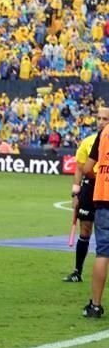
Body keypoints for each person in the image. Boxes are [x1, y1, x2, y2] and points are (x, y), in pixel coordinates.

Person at [65, 108, 109, 282]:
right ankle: (78, 271)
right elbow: (80, 168)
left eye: (105, 118)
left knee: (103, 237)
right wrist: (76, 191)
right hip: (91, 187)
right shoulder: (89, 141)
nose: (101, 121)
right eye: (98, 118)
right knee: (85, 230)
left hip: (103, 187)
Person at [79, 120, 109, 319]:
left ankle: (95, 305)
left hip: (104, 197)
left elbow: (87, 168)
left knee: (103, 253)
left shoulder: (104, 132)